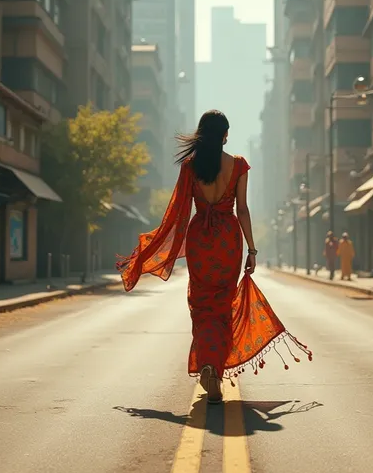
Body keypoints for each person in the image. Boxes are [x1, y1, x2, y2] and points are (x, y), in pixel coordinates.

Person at [116, 110, 312, 405]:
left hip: (199, 241)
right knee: (222, 305)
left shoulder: (190, 166)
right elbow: (242, 209)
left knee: (202, 303)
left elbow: (179, 213)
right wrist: (252, 249)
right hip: (228, 241)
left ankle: (208, 364)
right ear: (225, 135)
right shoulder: (238, 166)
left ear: (201, 134)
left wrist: (155, 246)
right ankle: (215, 371)